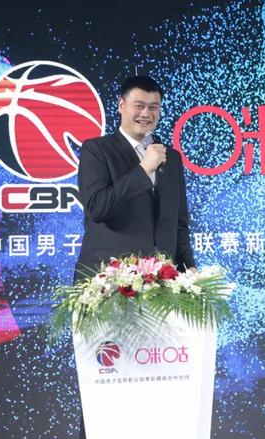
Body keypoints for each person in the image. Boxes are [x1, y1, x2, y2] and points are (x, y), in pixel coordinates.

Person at [74, 75, 197, 438]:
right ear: (121, 105)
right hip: (107, 288)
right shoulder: (97, 150)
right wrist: (144, 168)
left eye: (153, 107)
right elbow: (98, 208)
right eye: (139, 105)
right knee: (105, 390)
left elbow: (178, 223)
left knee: (158, 392)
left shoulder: (171, 158)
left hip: (162, 290)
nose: (146, 114)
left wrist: (190, 274)